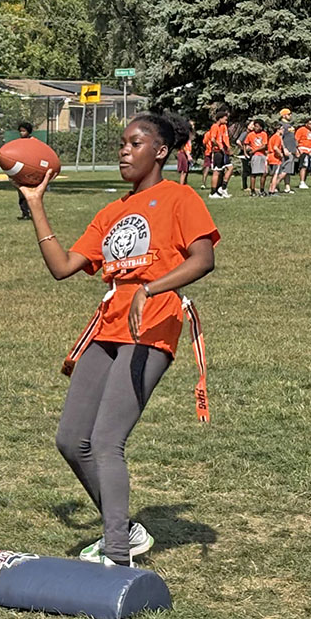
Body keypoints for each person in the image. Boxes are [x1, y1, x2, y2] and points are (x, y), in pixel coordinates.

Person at [15, 112, 219, 567]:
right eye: (122, 144)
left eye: (135, 143)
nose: (124, 150)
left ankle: (116, 553)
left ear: (160, 151)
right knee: (72, 440)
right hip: (108, 326)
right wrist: (36, 203)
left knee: (106, 441)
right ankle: (125, 529)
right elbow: (63, 266)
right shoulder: (112, 211)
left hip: (155, 321)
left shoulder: (179, 198)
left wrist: (150, 287)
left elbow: (202, 259)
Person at [208, 110, 232, 198]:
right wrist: (219, 146)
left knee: (221, 170)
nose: (226, 121)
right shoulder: (214, 127)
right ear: (220, 118)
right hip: (217, 152)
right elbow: (212, 139)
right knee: (216, 171)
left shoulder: (219, 127)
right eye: (225, 119)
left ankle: (220, 189)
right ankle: (213, 192)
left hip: (221, 151)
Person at [16, 121, 35, 220]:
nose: (22, 133)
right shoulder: (19, 142)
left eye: (24, 131)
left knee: (31, 193)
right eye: (20, 131)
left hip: (30, 171)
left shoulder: (33, 142)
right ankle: (25, 213)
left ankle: (33, 212)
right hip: (21, 171)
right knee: (21, 194)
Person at [245, 120, 268, 195]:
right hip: (255, 156)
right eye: (255, 126)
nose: (255, 128)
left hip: (262, 155)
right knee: (254, 173)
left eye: (257, 126)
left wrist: (254, 150)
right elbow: (245, 144)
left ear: (261, 127)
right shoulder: (250, 135)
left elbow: (264, 145)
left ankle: (262, 189)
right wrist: (246, 153)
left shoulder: (264, 134)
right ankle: (252, 190)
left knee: (264, 173)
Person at [297, 118, 311, 188]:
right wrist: (297, 150)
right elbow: (296, 139)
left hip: (310, 150)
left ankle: (304, 182)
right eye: (309, 123)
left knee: (309, 167)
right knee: (304, 166)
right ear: (306, 124)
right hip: (303, 149)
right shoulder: (301, 130)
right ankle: (302, 182)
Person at [278, 109, 297, 193]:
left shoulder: (290, 125)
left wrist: (296, 149)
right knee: (285, 170)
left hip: (292, 150)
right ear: (284, 115)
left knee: (288, 171)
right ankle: (274, 185)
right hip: (286, 151)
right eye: (289, 114)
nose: (291, 115)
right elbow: (279, 138)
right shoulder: (281, 125)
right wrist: (284, 148)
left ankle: (287, 187)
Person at [267, 124, 286, 196]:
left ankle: (270, 189)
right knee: (276, 175)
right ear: (278, 130)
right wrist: (280, 154)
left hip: (270, 157)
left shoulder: (272, 137)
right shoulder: (277, 137)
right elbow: (275, 147)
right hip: (275, 158)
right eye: (282, 129)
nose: (283, 130)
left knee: (273, 175)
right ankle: (272, 191)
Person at [234, 120, 254, 192]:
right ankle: (245, 186)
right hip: (244, 154)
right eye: (251, 125)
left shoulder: (252, 134)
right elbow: (238, 141)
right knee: (246, 170)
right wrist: (243, 148)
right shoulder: (245, 133)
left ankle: (252, 186)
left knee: (252, 170)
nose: (253, 126)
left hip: (250, 153)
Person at [177, 121, 193, 185]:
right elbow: (184, 146)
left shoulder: (190, 134)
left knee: (186, 170)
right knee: (184, 171)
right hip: (183, 153)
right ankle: (181, 186)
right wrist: (188, 155)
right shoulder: (185, 135)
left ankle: (184, 184)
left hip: (187, 153)